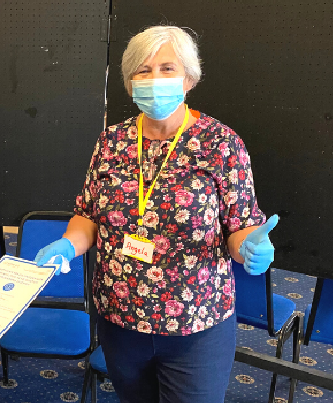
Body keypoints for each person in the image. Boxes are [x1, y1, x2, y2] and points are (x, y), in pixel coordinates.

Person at [35, 26, 278, 403]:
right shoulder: (111, 142)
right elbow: (88, 215)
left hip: (195, 325)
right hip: (119, 317)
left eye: (167, 68)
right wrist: (68, 245)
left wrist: (249, 246)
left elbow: (240, 226)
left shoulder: (222, 144)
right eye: (143, 70)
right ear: (131, 82)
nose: (154, 79)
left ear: (189, 78)